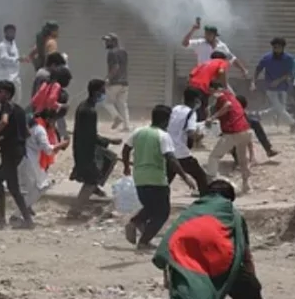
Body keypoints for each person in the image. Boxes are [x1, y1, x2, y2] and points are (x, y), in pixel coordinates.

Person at [153, 179, 262, 299]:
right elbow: (245, 252)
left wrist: (169, 273)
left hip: (197, 270)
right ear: (230, 198)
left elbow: (171, 241)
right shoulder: (231, 214)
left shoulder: (191, 212)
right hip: (225, 265)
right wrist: (252, 277)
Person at [121, 105, 197, 250]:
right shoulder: (163, 135)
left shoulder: (139, 131)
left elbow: (126, 148)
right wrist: (185, 176)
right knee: (162, 212)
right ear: (166, 120)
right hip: (156, 179)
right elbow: (171, 158)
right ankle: (143, 241)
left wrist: (126, 166)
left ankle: (136, 223)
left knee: (151, 207)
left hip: (139, 177)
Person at [67, 79, 121, 220]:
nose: (105, 94)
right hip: (86, 150)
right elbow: (90, 136)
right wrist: (109, 141)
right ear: (97, 92)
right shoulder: (89, 111)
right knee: (92, 179)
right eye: (103, 91)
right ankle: (74, 211)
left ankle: (94, 188)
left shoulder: (83, 106)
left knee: (106, 163)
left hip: (83, 147)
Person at [0, 80, 32, 228]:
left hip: (11, 152)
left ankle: (1, 219)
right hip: (17, 151)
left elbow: (3, 122)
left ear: (7, 94)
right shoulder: (20, 110)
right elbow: (27, 133)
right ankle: (26, 220)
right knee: (12, 186)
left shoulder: (7, 107)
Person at [203, 85, 253, 195]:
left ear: (213, 89)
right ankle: (247, 185)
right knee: (242, 160)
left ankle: (209, 185)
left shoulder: (221, 96)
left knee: (214, 156)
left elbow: (227, 105)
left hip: (233, 132)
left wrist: (212, 117)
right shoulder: (231, 95)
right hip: (246, 130)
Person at [19, 113, 69, 214]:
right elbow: (48, 150)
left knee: (29, 189)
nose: (54, 125)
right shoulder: (40, 130)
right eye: (53, 121)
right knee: (39, 188)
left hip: (24, 161)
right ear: (48, 119)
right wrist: (62, 144)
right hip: (31, 163)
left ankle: (24, 211)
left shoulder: (33, 129)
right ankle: (20, 212)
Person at [167, 88, 211, 196]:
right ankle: (205, 199)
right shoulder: (191, 113)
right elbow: (191, 132)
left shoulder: (176, 109)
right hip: (181, 152)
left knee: (167, 178)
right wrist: (200, 136)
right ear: (196, 100)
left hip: (168, 149)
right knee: (200, 176)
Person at [251, 37, 295, 132]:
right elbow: (258, 69)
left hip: (283, 87)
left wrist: (278, 81)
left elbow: (289, 73)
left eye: (278, 47)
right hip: (270, 87)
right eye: (274, 47)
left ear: (283, 48)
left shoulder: (288, 59)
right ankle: (293, 123)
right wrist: (253, 81)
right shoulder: (267, 58)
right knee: (279, 108)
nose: (276, 49)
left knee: (279, 109)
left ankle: (257, 115)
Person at [180, 17, 249, 77]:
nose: (206, 36)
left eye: (209, 34)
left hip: (216, 77)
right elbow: (184, 43)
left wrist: (243, 70)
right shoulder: (200, 43)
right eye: (206, 33)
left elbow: (232, 59)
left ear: (215, 35)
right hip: (202, 75)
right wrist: (193, 29)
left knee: (228, 92)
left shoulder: (222, 46)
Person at [187, 51, 230, 121]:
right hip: (201, 88)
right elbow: (221, 72)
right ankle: (198, 127)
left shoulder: (203, 63)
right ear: (223, 58)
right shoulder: (222, 62)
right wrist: (225, 86)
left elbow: (191, 75)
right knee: (201, 110)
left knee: (190, 107)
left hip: (190, 86)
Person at [103, 33, 130, 131]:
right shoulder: (123, 51)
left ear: (114, 41)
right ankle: (126, 126)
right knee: (122, 104)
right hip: (125, 82)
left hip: (115, 82)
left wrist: (108, 78)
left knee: (107, 103)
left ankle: (116, 117)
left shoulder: (111, 53)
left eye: (108, 41)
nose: (106, 43)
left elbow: (115, 67)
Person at [0, 24, 24, 102]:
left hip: (15, 76)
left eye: (13, 32)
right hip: (6, 77)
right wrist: (17, 59)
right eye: (10, 32)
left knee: (18, 99)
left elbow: (16, 58)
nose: (12, 34)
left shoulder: (13, 44)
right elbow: (3, 59)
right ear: (5, 33)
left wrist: (21, 59)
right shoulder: (2, 45)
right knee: (7, 100)